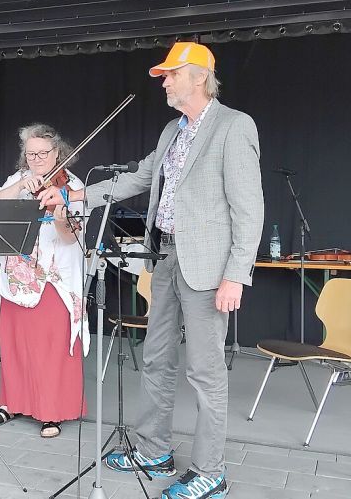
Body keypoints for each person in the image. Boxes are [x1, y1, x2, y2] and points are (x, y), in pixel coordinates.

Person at [40, 42, 264, 499]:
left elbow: (249, 209)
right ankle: (154, 449)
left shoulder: (234, 126)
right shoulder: (171, 131)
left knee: (205, 372)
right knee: (157, 357)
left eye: (170, 74)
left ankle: (210, 471)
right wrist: (77, 195)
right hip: (164, 257)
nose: (163, 81)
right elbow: (140, 177)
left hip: (207, 266)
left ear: (198, 77)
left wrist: (236, 274)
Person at [0, 123, 89, 439]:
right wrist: (19, 188)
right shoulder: (17, 180)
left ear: (58, 152)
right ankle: (12, 403)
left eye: (43, 153)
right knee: (14, 344)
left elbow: (71, 238)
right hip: (17, 277)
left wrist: (60, 214)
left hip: (54, 279)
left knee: (51, 347)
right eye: (31, 154)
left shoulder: (72, 185)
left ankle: (51, 411)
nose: (37, 159)